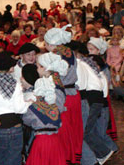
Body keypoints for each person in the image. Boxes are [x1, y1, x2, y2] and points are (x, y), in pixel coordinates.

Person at [44, 24, 82, 164]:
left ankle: (64, 158)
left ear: (49, 43)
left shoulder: (54, 55)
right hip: (74, 95)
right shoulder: (69, 52)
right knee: (74, 130)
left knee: (63, 131)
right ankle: (72, 157)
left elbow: (56, 76)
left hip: (62, 96)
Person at [0, 51, 29, 165]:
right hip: (16, 127)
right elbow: (20, 109)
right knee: (15, 159)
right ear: (10, 68)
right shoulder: (17, 84)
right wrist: (28, 103)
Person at [23, 53, 69, 165]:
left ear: (45, 67)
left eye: (38, 66)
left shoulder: (52, 84)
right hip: (52, 123)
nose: (37, 70)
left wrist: (37, 106)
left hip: (51, 123)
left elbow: (56, 107)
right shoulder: (53, 81)